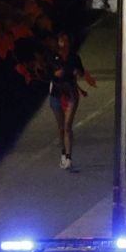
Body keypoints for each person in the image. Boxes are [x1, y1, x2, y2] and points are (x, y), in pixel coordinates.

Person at [47, 31, 97, 170]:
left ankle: (69, 157)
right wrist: (54, 74)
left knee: (68, 126)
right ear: (58, 43)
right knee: (61, 126)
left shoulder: (74, 57)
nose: (64, 44)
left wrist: (77, 72)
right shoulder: (53, 57)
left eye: (66, 41)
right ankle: (63, 151)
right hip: (56, 94)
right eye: (62, 41)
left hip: (70, 93)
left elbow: (81, 71)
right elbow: (47, 74)